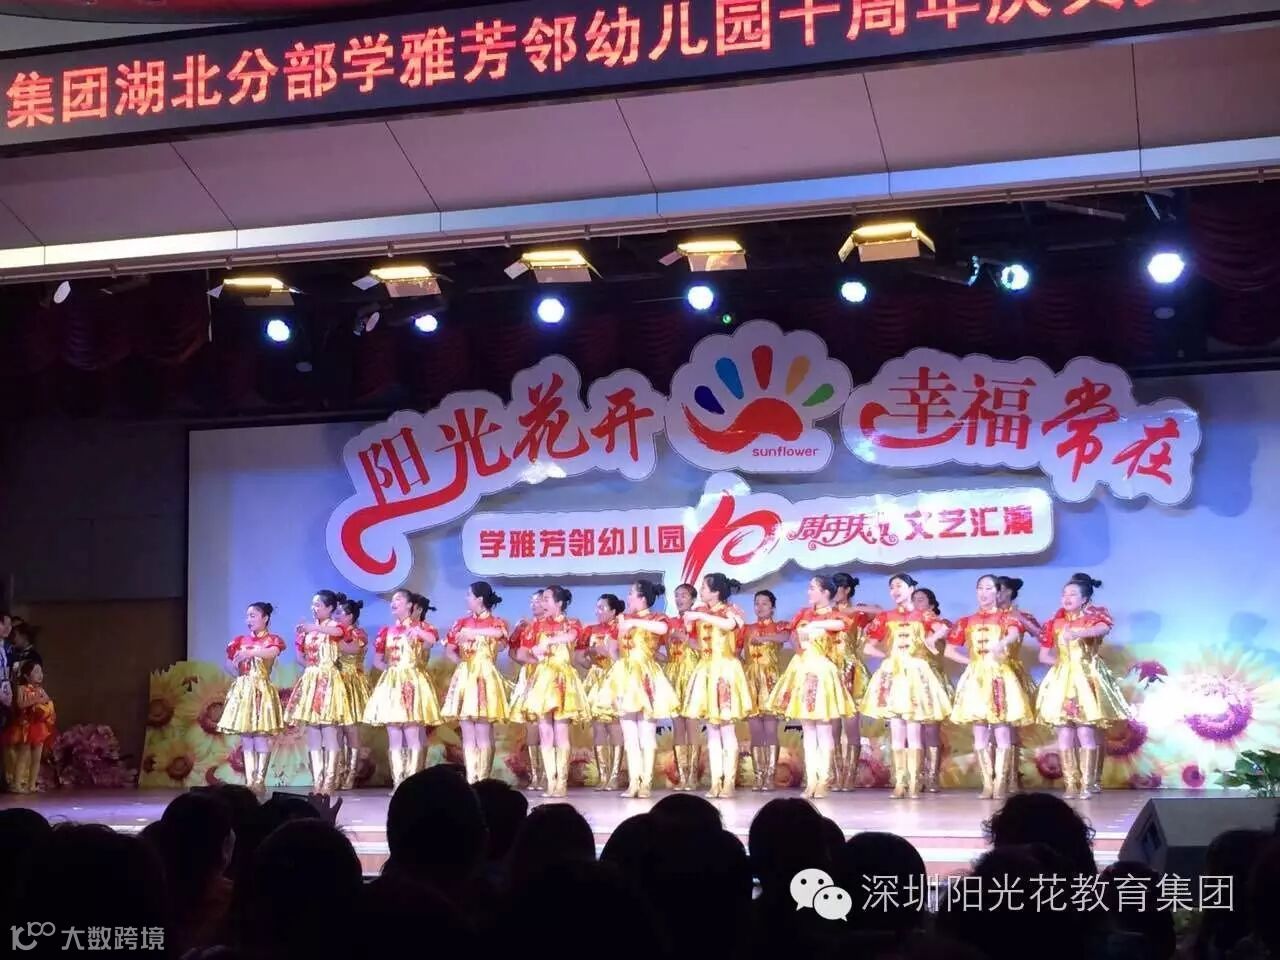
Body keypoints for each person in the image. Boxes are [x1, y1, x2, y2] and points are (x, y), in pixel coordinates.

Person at [1036, 573, 1130, 799]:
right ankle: (1071, 783)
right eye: (1064, 594)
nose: (1067, 598)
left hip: (1086, 678)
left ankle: (1088, 783)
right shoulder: (1055, 623)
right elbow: (1044, 655)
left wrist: (1079, 633)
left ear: (1085, 599)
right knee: (1064, 732)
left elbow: (1102, 629)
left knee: (1086, 731)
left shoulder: (1094, 618)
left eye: (1073, 594)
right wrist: (1061, 665)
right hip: (1063, 679)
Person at [862, 573, 952, 799]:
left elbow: (943, 628)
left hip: (915, 673)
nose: (895, 590)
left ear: (911, 589)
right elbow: (868, 647)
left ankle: (914, 782)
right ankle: (899, 782)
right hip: (894, 673)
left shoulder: (923, 615)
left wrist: (931, 640)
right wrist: (888, 657)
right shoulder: (886, 617)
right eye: (892, 587)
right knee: (896, 729)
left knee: (913, 729)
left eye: (899, 586)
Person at [945, 575, 1035, 800]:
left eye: (988, 588)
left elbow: (1014, 633)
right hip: (976, 677)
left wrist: (1002, 643)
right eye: (980, 588)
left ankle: (1001, 784)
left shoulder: (1007, 618)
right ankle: (987, 783)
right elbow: (949, 650)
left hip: (999, 676)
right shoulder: (966, 621)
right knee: (979, 730)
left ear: (997, 592)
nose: (983, 593)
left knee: (1002, 729)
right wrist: (972, 662)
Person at [767, 577, 856, 799]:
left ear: (826, 593)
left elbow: (841, 625)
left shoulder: (834, 615)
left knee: (824, 727)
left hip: (822, 670)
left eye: (813, 588)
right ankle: (812, 780)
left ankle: (824, 780)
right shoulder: (803, 614)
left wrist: (817, 624)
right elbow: (794, 637)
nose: (809, 591)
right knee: (807, 727)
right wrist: (799, 644)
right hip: (802, 669)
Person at [591, 579, 679, 798]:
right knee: (629, 733)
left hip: (646, 674)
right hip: (625, 674)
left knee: (646, 733)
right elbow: (613, 647)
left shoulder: (655, 618)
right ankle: (633, 782)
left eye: (631, 593)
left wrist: (634, 622)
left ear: (642, 598)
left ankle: (646, 782)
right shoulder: (622, 620)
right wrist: (615, 655)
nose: (628, 597)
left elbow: (663, 628)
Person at [682, 573, 752, 799]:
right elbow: (697, 640)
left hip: (725, 670)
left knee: (726, 726)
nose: (701, 592)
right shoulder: (701, 612)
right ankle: (715, 781)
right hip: (706, 669)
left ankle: (729, 782)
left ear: (716, 592)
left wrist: (702, 615)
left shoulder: (730, 610)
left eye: (704, 588)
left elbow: (731, 625)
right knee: (711, 728)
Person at [363, 589, 441, 787]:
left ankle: (413, 785)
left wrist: (417, 631)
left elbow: (432, 641)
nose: (394, 602)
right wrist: (391, 671)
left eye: (398, 599)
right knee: (394, 735)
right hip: (392, 683)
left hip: (412, 682)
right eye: (392, 599)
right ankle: (399, 783)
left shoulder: (423, 627)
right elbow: (378, 660)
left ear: (410, 605)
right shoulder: (386, 631)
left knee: (412, 733)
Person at [284, 589, 354, 795]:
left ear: (330, 608)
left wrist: (313, 627)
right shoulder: (308, 631)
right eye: (313, 604)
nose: (313, 608)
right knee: (313, 731)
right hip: (312, 678)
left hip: (329, 680)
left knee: (329, 730)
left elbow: (339, 633)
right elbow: (300, 656)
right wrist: (311, 669)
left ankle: (330, 781)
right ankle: (317, 781)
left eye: (318, 605)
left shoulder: (334, 626)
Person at [520, 585, 588, 798]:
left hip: (562, 679)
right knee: (544, 731)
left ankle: (562, 782)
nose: (543, 603)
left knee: (561, 731)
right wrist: (536, 655)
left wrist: (548, 641)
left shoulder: (572, 622)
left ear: (559, 603)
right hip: (542, 678)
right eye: (542, 599)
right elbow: (523, 652)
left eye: (547, 599)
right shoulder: (535, 625)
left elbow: (571, 637)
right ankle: (550, 781)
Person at [442, 581, 511, 783]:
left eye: (469, 595)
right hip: (466, 676)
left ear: (479, 599)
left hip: (485, 677)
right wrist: (463, 665)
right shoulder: (460, 622)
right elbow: (450, 649)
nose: (466, 598)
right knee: (467, 729)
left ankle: (483, 779)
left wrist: (473, 633)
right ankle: (472, 779)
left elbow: (500, 636)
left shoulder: (496, 622)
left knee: (483, 730)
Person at [216, 601, 286, 796]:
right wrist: (238, 674)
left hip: (261, 690)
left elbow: (272, 652)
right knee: (246, 737)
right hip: (244, 690)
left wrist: (250, 652)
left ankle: (259, 781)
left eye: (253, 616)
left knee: (260, 736)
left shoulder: (272, 640)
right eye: (247, 616)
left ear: (265, 618)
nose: (249, 620)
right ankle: (249, 781)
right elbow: (229, 664)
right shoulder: (239, 641)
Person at [831, 573, 878, 791]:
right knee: (831, 725)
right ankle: (836, 776)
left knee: (851, 725)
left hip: (850, 669)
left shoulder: (858, 612)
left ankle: (849, 776)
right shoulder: (825, 612)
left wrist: (852, 610)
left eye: (837, 588)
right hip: (828, 669)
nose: (834, 592)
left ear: (847, 589)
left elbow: (880, 612)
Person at [577, 593, 625, 791]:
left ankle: (614, 776)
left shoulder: (621, 628)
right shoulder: (590, 630)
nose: (598, 611)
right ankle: (602, 775)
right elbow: (581, 659)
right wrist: (588, 657)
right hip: (596, 679)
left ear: (613, 611)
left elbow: (620, 655)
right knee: (598, 728)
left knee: (614, 726)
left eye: (602, 608)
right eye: (597, 607)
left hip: (614, 678)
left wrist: (603, 653)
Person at [996, 576, 1040, 790]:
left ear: (1009, 592)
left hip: (1012, 671)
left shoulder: (1020, 615)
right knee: (990, 725)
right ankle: (996, 776)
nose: (995, 594)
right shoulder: (984, 617)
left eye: (999, 589)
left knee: (1011, 725)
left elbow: (1041, 635)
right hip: (987, 673)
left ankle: (1013, 775)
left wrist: (1019, 618)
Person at [742, 590, 787, 792]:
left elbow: (785, 637)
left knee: (770, 729)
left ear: (773, 607)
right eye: (757, 603)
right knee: (755, 731)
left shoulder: (779, 627)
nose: (760, 607)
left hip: (770, 680)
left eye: (764, 603)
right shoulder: (747, 629)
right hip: (751, 680)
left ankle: (770, 775)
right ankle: (758, 775)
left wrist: (766, 637)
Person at [909, 587, 952, 794]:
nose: (916, 603)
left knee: (931, 728)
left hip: (933, 679)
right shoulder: (909, 624)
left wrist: (932, 638)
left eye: (921, 599)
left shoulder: (939, 623)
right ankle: (915, 776)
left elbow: (945, 631)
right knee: (913, 728)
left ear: (931, 604)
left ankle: (932, 776)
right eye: (914, 600)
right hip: (913, 679)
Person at [508, 590, 547, 793]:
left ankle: (550, 774)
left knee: (548, 725)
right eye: (531, 601)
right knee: (531, 725)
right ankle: (536, 774)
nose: (534, 605)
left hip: (548, 677)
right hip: (529, 677)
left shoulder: (553, 627)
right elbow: (514, 653)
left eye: (538, 601)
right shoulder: (526, 627)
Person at [665, 582, 702, 792]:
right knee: (677, 725)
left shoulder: (699, 621)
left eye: (684, 595)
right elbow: (663, 649)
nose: (679, 599)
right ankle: (682, 775)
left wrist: (685, 638)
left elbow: (704, 647)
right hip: (673, 673)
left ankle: (693, 776)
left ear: (693, 599)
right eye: (677, 595)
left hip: (692, 673)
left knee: (692, 724)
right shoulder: (669, 622)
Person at [334, 596, 370, 790]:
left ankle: (351, 774)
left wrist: (328, 638)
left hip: (352, 683)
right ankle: (337, 772)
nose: (336, 616)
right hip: (335, 682)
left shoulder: (358, 633)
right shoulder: (332, 632)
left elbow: (353, 648)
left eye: (340, 613)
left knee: (350, 728)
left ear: (350, 616)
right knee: (336, 729)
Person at [1, 658, 54, 793]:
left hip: (39, 727)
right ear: (26, 675)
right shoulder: (21, 689)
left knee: (37, 757)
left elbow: (47, 700)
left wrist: (42, 701)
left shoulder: (40, 690)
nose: (40, 675)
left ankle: (32, 784)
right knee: (23, 755)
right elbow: (20, 704)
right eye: (36, 672)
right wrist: (34, 700)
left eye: (41, 672)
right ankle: (17, 784)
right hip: (26, 726)